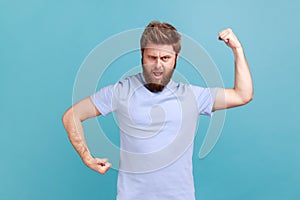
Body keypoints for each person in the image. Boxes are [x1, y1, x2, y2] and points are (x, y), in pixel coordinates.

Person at [62, 21, 253, 200]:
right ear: (142, 55)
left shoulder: (192, 96)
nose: (158, 65)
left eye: (165, 58)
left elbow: (242, 95)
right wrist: (87, 158)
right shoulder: (122, 91)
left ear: (176, 58)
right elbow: (72, 116)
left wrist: (238, 50)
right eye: (152, 57)